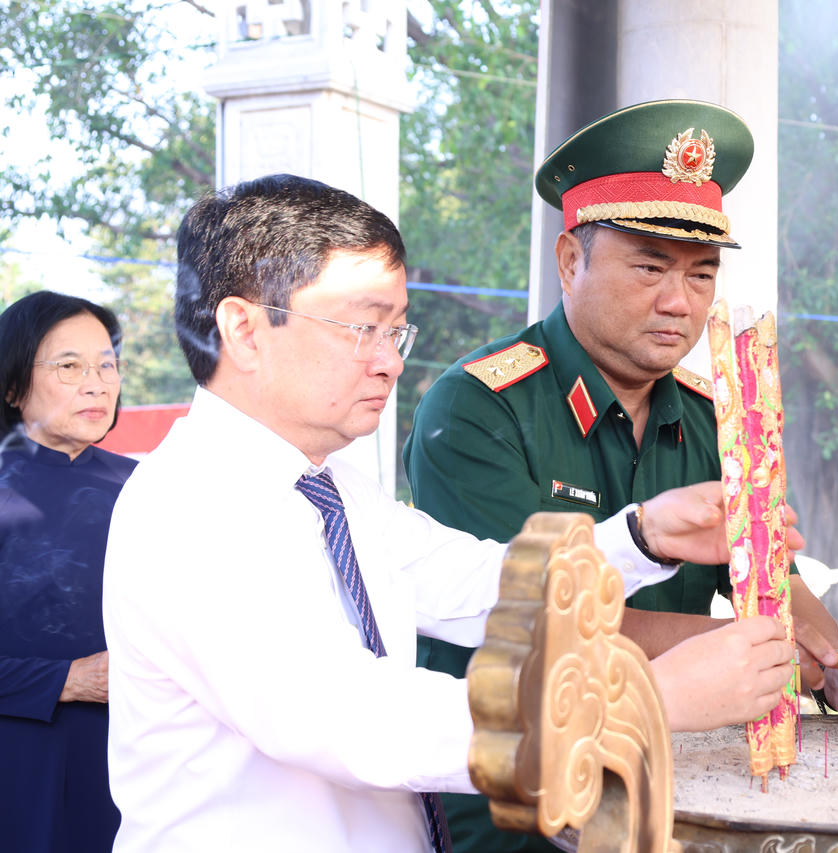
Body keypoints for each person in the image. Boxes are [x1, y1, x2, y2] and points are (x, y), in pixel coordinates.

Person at [102, 174, 801, 853]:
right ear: (244, 329)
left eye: (396, 333)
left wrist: (645, 535)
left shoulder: (328, 485)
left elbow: (472, 581)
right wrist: (646, 697)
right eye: (362, 329)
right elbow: (361, 719)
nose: (389, 363)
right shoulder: (192, 508)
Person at [403, 100, 838, 851]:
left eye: (702, 274)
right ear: (571, 260)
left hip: (674, 801)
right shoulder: (477, 410)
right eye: (649, 267)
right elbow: (539, 624)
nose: (680, 302)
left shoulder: (720, 420)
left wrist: (833, 658)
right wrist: (753, 651)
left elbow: (777, 583)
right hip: (521, 810)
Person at [0, 291, 136, 852]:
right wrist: (64, 680)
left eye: (107, 364)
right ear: (12, 386)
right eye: (70, 366)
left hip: (135, 761)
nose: (97, 383)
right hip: (18, 761)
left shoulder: (151, 489)